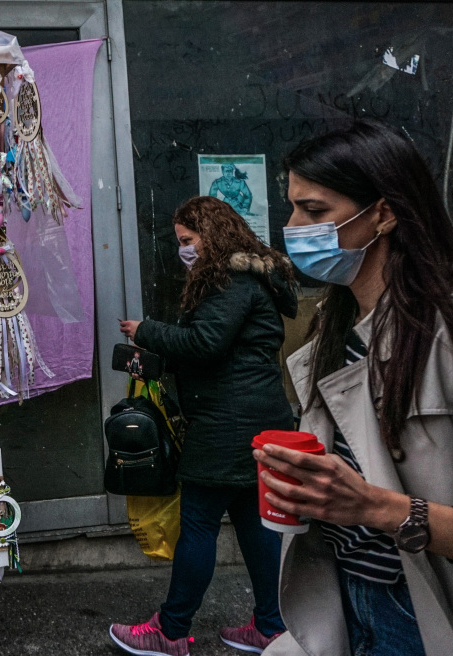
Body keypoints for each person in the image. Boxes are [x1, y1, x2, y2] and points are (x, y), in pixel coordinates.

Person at [258, 120, 453, 656]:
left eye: (314, 211)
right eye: (292, 208)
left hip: (430, 618)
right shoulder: (332, 331)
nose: (293, 227)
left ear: (383, 214)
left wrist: (382, 509)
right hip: (344, 601)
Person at [110, 195, 296, 656]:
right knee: (254, 526)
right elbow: (222, 349)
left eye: (188, 240)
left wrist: (146, 331)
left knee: (197, 526)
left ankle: (170, 631)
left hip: (226, 427)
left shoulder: (232, 280)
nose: (184, 250)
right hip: (255, 421)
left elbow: (208, 342)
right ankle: (271, 627)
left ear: (212, 235)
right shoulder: (250, 279)